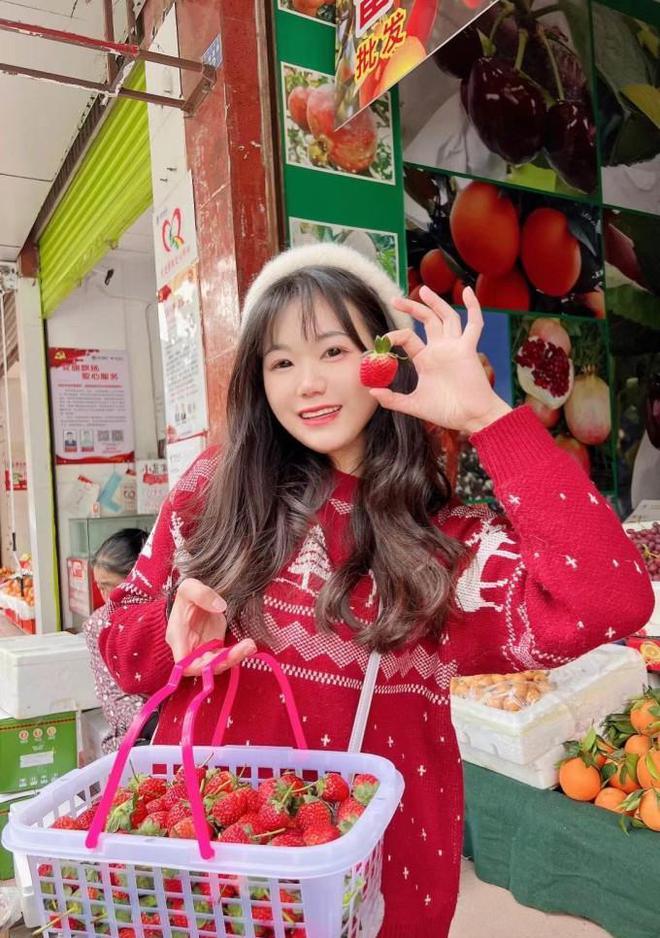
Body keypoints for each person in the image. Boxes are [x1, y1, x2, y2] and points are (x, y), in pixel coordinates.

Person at [100, 243, 653, 937]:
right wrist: (168, 637)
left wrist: (487, 417)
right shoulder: (214, 493)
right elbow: (117, 646)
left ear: (383, 361)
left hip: (379, 885)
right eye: (280, 362)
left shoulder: (444, 543)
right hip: (208, 875)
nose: (308, 384)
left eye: (333, 351)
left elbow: (611, 600)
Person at [83, 528, 150, 753]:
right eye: (99, 587)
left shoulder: (169, 615)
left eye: (108, 586)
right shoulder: (99, 625)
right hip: (137, 737)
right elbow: (114, 699)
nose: (104, 596)